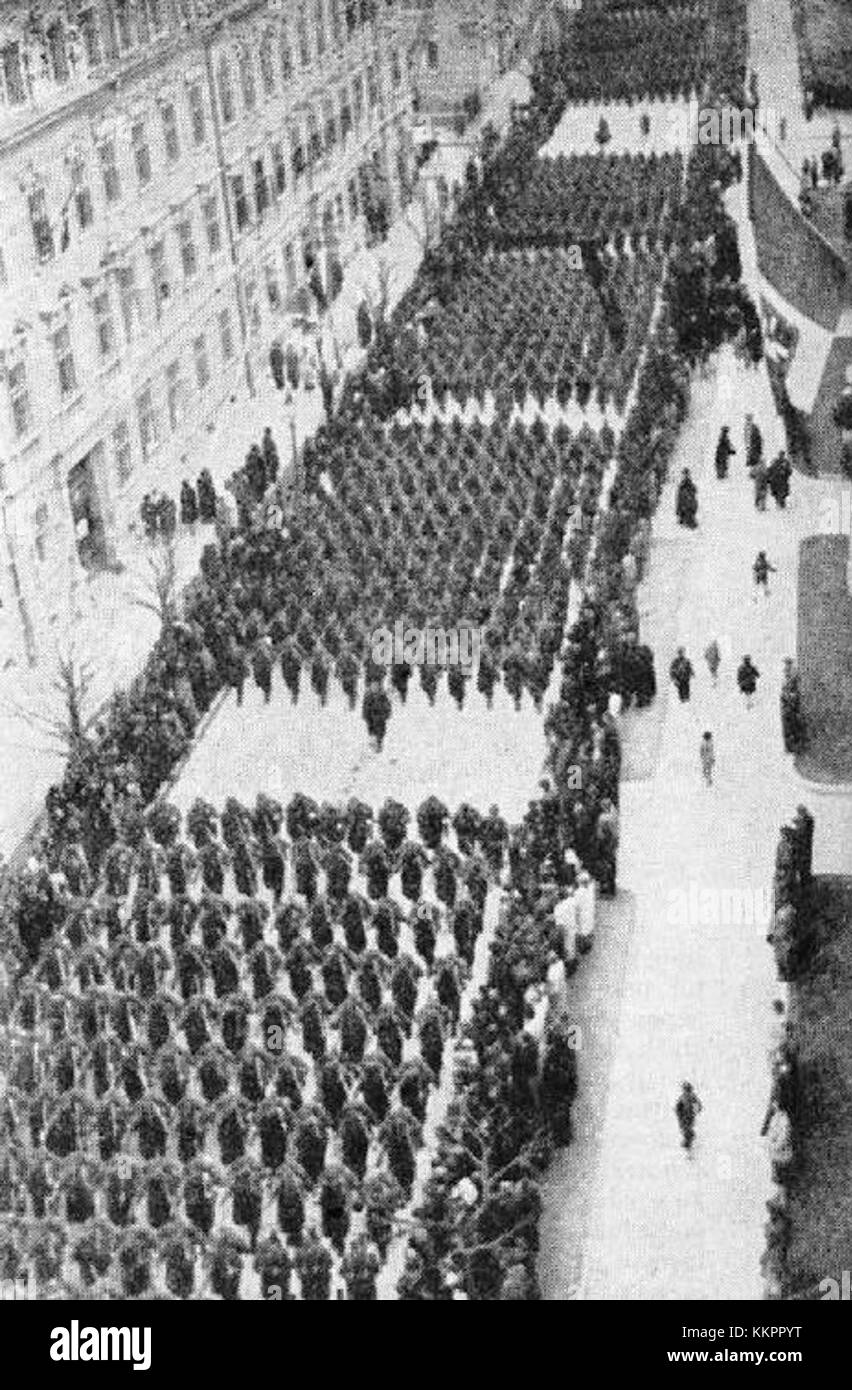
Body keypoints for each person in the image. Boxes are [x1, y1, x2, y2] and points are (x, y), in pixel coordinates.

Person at [676, 1081, 702, 1150]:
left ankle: (688, 1141)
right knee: (686, 1128)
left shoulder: (690, 1096)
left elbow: (699, 1105)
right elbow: (678, 1107)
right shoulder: (685, 1096)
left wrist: (696, 1111)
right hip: (686, 1115)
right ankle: (688, 1140)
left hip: (688, 1115)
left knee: (687, 1127)